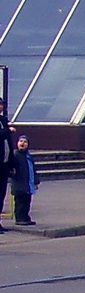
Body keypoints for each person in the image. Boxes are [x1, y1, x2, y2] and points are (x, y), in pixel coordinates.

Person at [9, 134, 39, 226]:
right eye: (20, 141)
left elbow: (32, 169)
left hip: (28, 184)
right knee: (20, 202)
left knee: (27, 202)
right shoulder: (15, 155)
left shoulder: (28, 156)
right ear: (17, 143)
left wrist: (36, 181)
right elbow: (11, 167)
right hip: (19, 184)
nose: (22, 143)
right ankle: (20, 218)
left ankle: (25, 217)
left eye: (25, 142)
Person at [0, 98, 12, 232]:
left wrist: (11, 164)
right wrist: (7, 131)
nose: (1, 107)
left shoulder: (3, 120)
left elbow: (9, 143)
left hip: (4, 164)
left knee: (1, 194)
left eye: (2, 104)